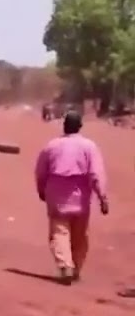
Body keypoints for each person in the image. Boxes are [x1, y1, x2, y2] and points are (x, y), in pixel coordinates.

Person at [34, 111, 109, 284]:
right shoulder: (89, 147)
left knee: (59, 232)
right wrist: (102, 197)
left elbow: (41, 172)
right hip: (81, 198)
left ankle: (65, 265)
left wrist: (41, 190)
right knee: (80, 235)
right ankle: (75, 268)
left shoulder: (51, 146)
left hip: (57, 196)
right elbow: (96, 174)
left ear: (64, 126)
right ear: (80, 127)